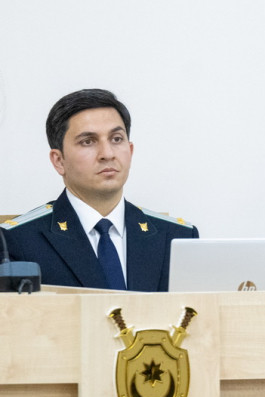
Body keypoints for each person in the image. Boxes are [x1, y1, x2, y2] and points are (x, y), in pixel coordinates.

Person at [0, 89, 198, 291]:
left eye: (116, 139)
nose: (107, 154)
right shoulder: (16, 240)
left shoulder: (177, 236)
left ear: (130, 151)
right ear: (59, 161)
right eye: (88, 142)